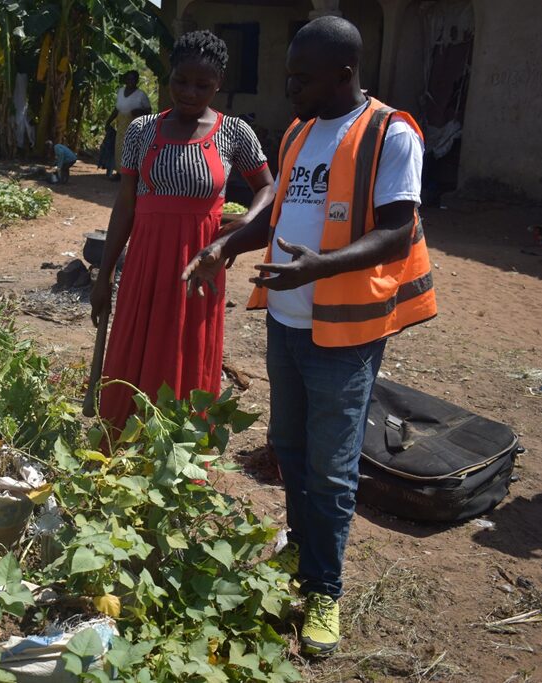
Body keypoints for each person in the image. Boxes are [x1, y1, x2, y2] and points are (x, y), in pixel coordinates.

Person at [181, 16, 437, 655]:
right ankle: (301, 558)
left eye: (302, 76)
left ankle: (324, 592)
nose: (288, 85)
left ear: (343, 73)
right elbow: (277, 217)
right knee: (289, 452)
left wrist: (320, 266)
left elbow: (397, 231)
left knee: (331, 469)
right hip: (286, 321)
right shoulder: (298, 130)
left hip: (344, 334)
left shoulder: (389, 133)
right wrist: (225, 247)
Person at [90, 30, 274, 432]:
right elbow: (125, 207)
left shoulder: (234, 132)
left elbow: (268, 186)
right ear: (169, 76)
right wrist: (104, 277)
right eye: (180, 81)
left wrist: (246, 221)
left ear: (218, 85)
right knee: (134, 346)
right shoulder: (142, 131)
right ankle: (121, 443)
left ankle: (178, 447)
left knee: (189, 349)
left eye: (202, 85)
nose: (189, 92)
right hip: (145, 264)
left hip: (200, 266)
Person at [105, 71, 152, 180]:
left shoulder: (141, 95)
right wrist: (109, 121)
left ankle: (130, 175)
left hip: (134, 124)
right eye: (129, 79)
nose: (130, 81)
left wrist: (139, 111)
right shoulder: (121, 92)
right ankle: (119, 173)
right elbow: (116, 109)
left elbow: (149, 111)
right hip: (121, 124)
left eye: (133, 79)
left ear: (137, 81)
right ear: (125, 80)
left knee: (130, 149)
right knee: (119, 148)